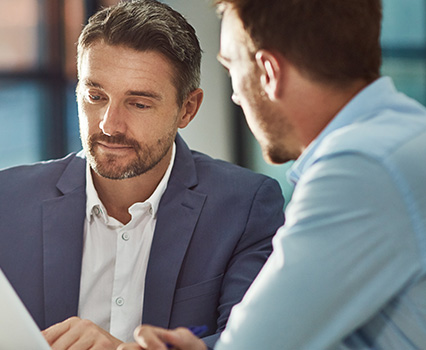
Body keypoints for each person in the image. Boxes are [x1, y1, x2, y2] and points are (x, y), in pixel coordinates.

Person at [0, 1, 285, 349]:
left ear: (187, 109)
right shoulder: (8, 198)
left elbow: (255, 340)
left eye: (139, 103)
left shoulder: (245, 206)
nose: (110, 124)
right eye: (95, 97)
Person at [119, 0, 426, 349]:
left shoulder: (359, 168)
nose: (235, 95)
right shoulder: (407, 135)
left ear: (269, 72)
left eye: (232, 67)